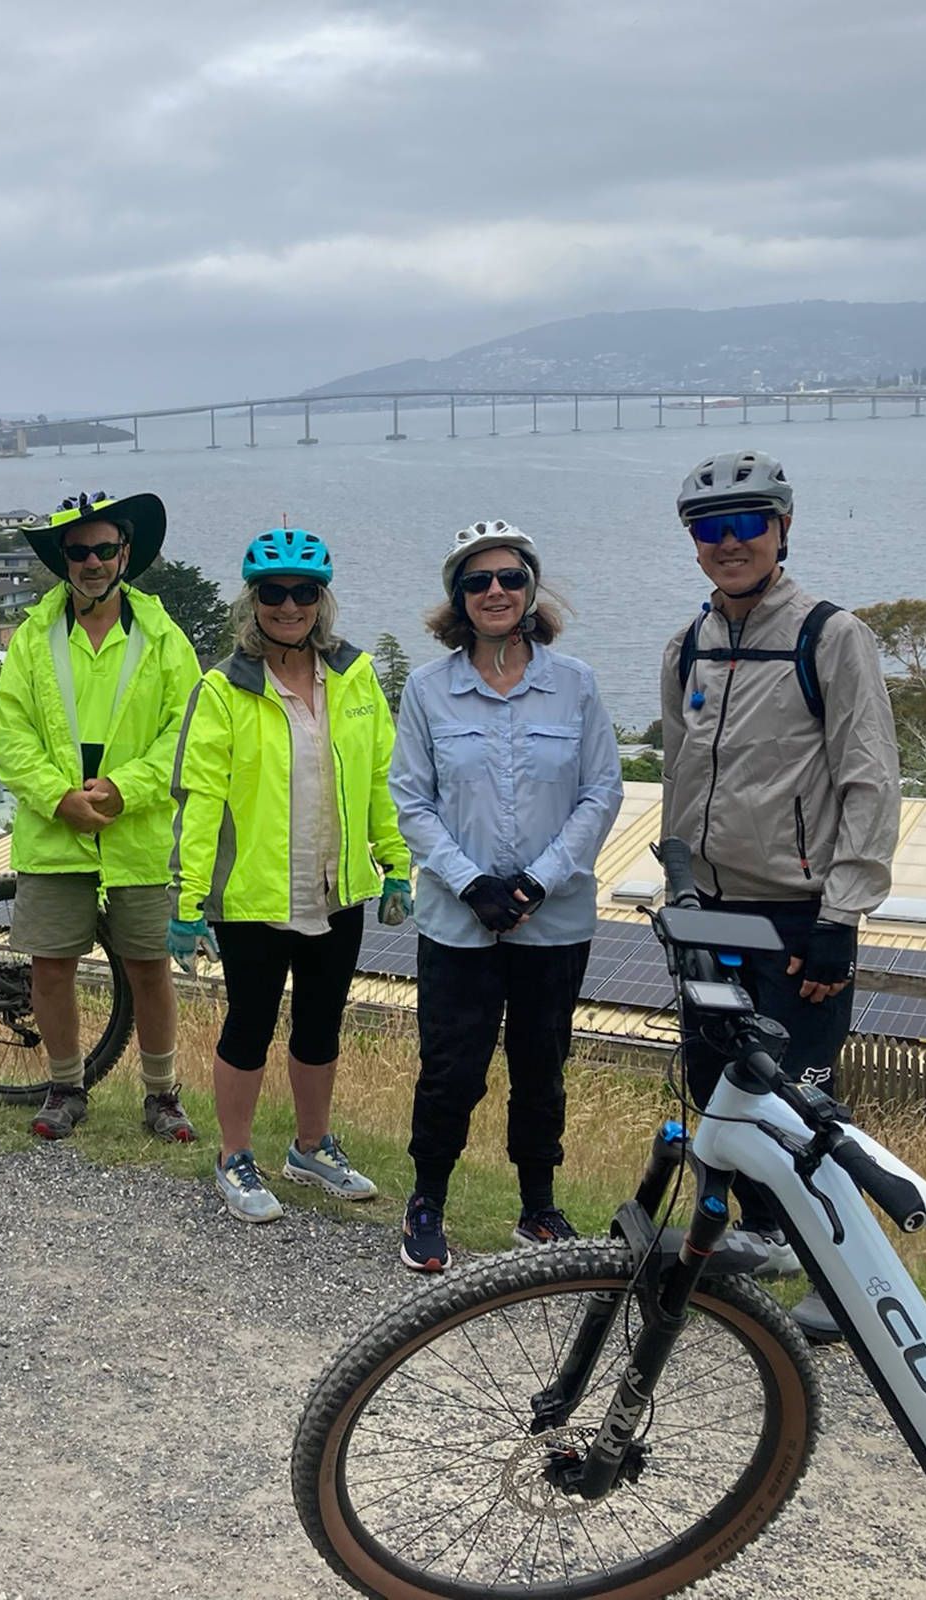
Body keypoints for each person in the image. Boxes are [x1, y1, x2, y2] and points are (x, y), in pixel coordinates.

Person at [659, 450, 899, 1333]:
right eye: (709, 529)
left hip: (800, 915)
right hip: (712, 907)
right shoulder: (689, 644)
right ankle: (757, 1237)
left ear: (782, 530)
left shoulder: (830, 636)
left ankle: (845, 1284)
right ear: (693, 544)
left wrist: (843, 914)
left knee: (802, 1102)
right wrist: (677, 886)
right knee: (719, 1082)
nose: (729, 543)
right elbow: (680, 773)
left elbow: (869, 779)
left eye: (746, 525)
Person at [387, 522, 623, 1272]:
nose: (495, 591)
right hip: (458, 923)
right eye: (478, 581)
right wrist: (473, 884)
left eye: (510, 578)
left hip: (553, 921)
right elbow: (411, 802)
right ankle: (426, 1199)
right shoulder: (427, 689)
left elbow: (601, 792)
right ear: (458, 597)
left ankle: (538, 1204)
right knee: (451, 1067)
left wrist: (535, 881)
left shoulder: (575, 684)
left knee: (540, 1066)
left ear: (531, 591)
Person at [170, 529, 411, 1223]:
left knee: (320, 1024)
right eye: (273, 594)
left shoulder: (356, 676)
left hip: (336, 887)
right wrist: (188, 903)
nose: (289, 606)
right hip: (253, 895)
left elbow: (380, 781)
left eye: (303, 593)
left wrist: (395, 864)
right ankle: (233, 1157)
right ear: (254, 602)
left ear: (321, 600)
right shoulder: (222, 689)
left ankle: (310, 1148)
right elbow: (199, 800)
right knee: (248, 1027)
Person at [0, 491, 202, 1142]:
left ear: (125, 554)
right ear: (64, 560)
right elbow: (6, 731)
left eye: (105, 549)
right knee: (51, 966)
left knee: (149, 966)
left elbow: (186, 732)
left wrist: (124, 789)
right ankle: (64, 1086)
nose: (92, 562)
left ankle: (162, 1095)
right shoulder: (34, 636)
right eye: (79, 552)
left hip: (137, 830)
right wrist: (58, 797)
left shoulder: (164, 638)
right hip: (54, 830)